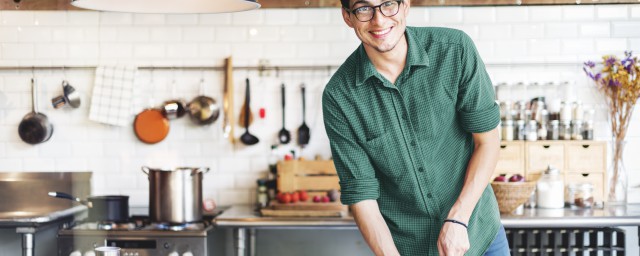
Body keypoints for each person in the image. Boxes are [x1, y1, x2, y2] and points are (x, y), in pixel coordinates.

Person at [322, 0, 509, 255]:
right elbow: (362, 195)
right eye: (363, 8)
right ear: (347, 16)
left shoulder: (455, 51)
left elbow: (486, 141)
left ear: (405, 5)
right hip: (406, 247)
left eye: (388, 4)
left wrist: (458, 219)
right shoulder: (340, 96)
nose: (379, 20)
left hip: (478, 233)